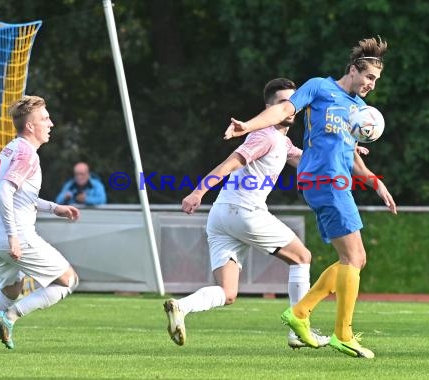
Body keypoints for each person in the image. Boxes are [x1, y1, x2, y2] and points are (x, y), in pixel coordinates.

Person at [224, 37, 397, 359]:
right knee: (353, 259)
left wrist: (376, 183)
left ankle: (301, 313)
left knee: (355, 259)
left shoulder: (360, 110)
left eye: (376, 80)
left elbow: (350, 155)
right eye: (369, 77)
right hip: (323, 180)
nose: (372, 85)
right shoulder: (319, 88)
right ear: (353, 69)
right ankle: (340, 333)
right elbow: (284, 109)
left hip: (337, 182)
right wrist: (247, 126)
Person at [163, 78, 330, 349]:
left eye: (291, 104)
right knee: (302, 257)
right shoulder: (264, 135)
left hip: (221, 216)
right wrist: (197, 192)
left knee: (228, 293)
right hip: (244, 211)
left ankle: (181, 306)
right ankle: (298, 330)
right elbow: (228, 165)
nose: (289, 109)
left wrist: (346, 152)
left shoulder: (282, 141)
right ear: (268, 107)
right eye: (281, 103)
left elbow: (308, 158)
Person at [0, 95, 80, 353]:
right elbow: (6, 192)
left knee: (11, 289)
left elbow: (18, 194)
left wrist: (54, 207)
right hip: (14, 236)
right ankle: (11, 316)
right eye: (44, 119)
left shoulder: (11, 148)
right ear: (30, 126)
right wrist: (13, 236)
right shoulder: (27, 154)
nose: (50, 123)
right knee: (68, 280)